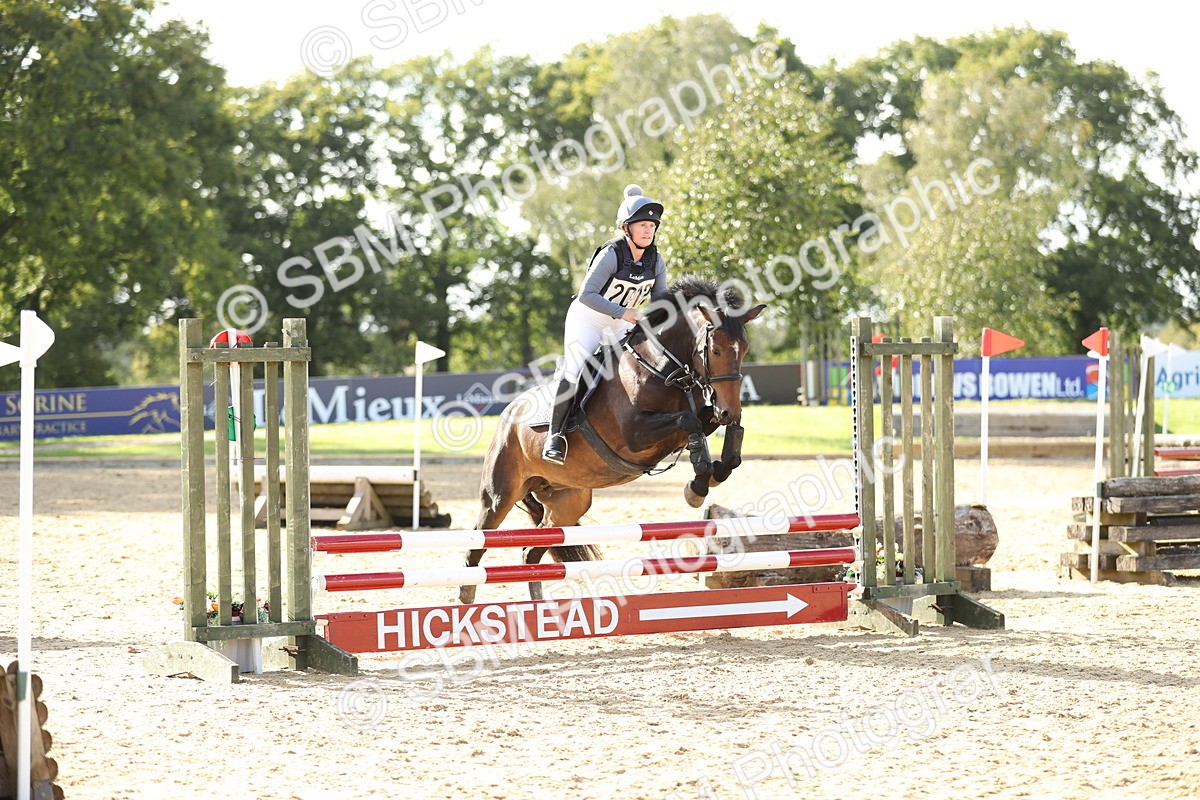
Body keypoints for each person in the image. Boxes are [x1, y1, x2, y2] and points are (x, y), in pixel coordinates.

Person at [542, 184, 669, 464]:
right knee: (575, 370)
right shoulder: (612, 254)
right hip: (588, 317)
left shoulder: (655, 260)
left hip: (620, 321)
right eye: (642, 225)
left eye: (652, 226)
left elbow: (662, 301)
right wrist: (623, 311)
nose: (649, 231)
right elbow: (587, 295)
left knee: (644, 366)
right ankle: (555, 436)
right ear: (626, 228)